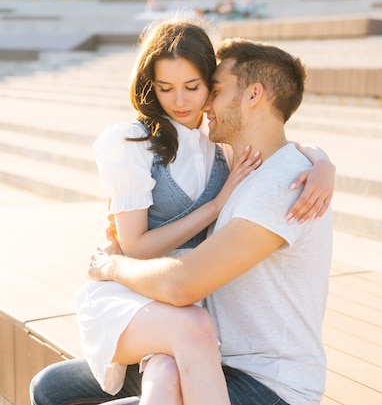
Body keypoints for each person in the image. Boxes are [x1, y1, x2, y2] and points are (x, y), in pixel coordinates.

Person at [29, 21, 335, 405]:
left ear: (254, 95)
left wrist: (109, 266)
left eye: (212, 89)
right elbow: (288, 144)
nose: (202, 103)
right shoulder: (249, 162)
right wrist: (323, 160)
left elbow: (181, 286)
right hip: (212, 353)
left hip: (267, 383)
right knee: (53, 389)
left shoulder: (283, 187)